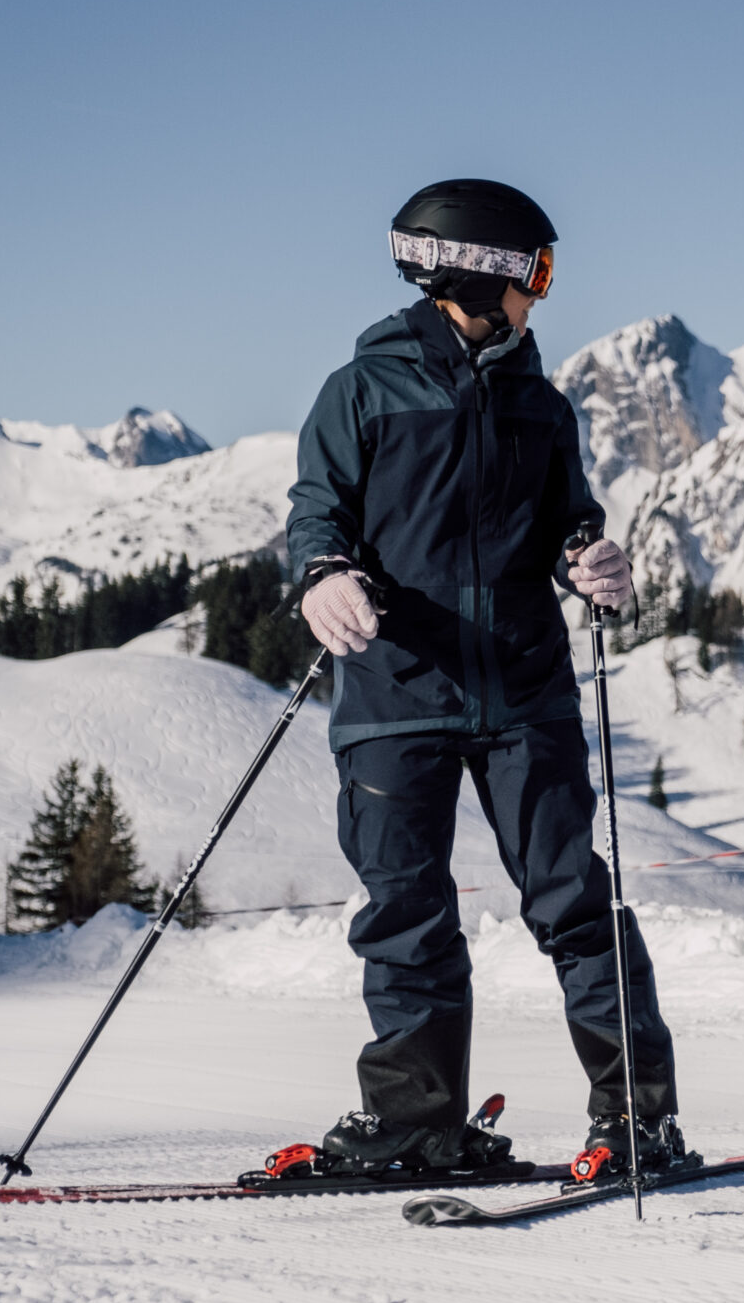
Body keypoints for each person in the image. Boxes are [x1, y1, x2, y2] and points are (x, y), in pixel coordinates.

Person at [286, 177, 681, 1180]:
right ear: (480, 271)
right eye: (534, 272)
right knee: (406, 915)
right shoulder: (360, 393)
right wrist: (323, 574)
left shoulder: (539, 405)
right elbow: (317, 512)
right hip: (395, 696)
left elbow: (567, 521)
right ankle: (418, 1124)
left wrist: (590, 558)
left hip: (524, 693)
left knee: (575, 903)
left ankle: (638, 1119)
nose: (542, 293)